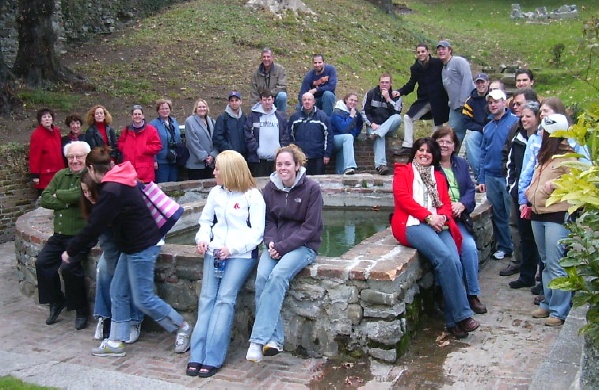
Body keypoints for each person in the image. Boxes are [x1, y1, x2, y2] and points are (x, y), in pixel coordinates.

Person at [63, 147, 192, 357]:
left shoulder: (112, 190)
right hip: (131, 247)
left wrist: (71, 250)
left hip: (142, 246)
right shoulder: (120, 179)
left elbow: (94, 225)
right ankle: (116, 340)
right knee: (117, 291)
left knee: (143, 298)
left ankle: (183, 328)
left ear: (92, 168)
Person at [187, 150, 265, 378]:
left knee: (224, 299)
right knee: (207, 299)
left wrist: (232, 249)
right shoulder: (215, 193)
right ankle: (196, 354)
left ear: (230, 170)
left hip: (240, 256)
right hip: (214, 253)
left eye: (218, 168)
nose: (214, 172)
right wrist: (202, 239)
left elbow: (257, 234)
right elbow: (205, 221)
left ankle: (213, 356)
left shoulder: (253, 196)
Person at [390, 138, 479, 339]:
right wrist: (428, 216)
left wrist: (442, 217)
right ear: (414, 152)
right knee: (444, 257)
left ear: (433, 156)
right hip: (413, 224)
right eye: (420, 150)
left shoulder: (438, 176)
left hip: (438, 223)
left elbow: (446, 203)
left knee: (455, 260)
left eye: (428, 151)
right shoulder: (403, 172)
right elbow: (403, 199)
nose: (424, 154)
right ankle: (462, 316)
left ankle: (451, 320)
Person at [246, 144, 323, 362]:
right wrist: (271, 242)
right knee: (262, 278)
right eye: (279, 164)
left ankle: (257, 340)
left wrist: (283, 246)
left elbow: (311, 228)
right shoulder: (269, 189)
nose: (283, 168)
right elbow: (269, 220)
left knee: (278, 276)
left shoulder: (311, 189)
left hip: (304, 247)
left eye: (287, 163)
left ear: (297, 165)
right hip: (276, 245)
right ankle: (274, 339)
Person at [522, 114, 576, 326]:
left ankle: (559, 310)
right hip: (538, 213)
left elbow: (575, 187)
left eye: (544, 131)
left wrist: (557, 186)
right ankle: (548, 302)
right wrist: (529, 192)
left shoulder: (569, 158)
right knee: (545, 262)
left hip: (555, 215)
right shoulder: (546, 156)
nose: (540, 133)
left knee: (556, 262)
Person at [80, 172, 144, 343]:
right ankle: (104, 316)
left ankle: (134, 320)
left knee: (125, 276)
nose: (87, 196)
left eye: (89, 192)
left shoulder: (111, 200)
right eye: (84, 192)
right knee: (103, 270)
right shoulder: (93, 207)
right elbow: (106, 243)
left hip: (133, 244)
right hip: (114, 247)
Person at [35, 141, 91, 330]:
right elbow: (45, 198)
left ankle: (80, 309)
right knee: (42, 262)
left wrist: (60, 196)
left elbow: (79, 196)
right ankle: (56, 301)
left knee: (69, 269)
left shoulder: (89, 176)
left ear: (86, 157)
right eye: (70, 157)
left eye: (79, 157)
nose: (75, 161)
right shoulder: (61, 174)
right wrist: (64, 200)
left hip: (79, 235)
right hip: (59, 234)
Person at [432, 127, 487, 314]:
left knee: (469, 248)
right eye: (441, 141)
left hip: (459, 219)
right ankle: (443, 292)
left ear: (455, 145)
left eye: (448, 141)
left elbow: (470, 191)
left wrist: (462, 204)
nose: (444, 145)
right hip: (440, 220)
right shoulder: (430, 166)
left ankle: (472, 294)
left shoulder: (461, 164)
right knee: (447, 253)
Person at [499, 88, 540, 278]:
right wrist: (513, 187)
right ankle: (525, 271)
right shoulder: (516, 134)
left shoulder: (545, 139)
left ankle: (540, 276)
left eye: (527, 115)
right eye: (514, 106)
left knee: (537, 235)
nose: (523, 118)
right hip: (519, 194)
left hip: (539, 196)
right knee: (519, 229)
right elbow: (509, 160)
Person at [477, 89, 519, 261]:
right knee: (499, 214)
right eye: (490, 102)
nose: (493, 105)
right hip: (490, 175)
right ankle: (505, 247)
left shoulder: (515, 123)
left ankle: (519, 250)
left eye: (496, 101)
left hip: (507, 175)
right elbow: (483, 153)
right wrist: (481, 177)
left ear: (504, 102)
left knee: (512, 214)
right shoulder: (487, 127)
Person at [396, 43, 449, 145]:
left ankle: (434, 147)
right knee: (408, 117)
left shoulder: (438, 63)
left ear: (428, 52)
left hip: (439, 100)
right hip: (424, 100)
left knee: (437, 126)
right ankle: (408, 144)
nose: (421, 54)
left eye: (423, 51)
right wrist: (399, 92)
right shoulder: (415, 68)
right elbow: (411, 85)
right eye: (418, 52)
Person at [362, 73, 403, 175]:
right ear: (379, 83)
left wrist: (388, 99)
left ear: (391, 83)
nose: (384, 84)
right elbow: (364, 112)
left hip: (389, 127)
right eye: (382, 82)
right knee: (380, 136)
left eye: (387, 82)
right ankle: (381, 166)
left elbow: (397, 112)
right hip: (374, 126)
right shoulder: (371, 94)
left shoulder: (396, 96)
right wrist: (372, 124)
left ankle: (378, 132)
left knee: (397, 118)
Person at [436, 40, 474, 144]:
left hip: (466, 105)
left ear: (450, 50)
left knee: (464, 134)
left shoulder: (458, 61)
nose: (441, 51)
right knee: (454, 134)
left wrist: (464, 101)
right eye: (439, 49)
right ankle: (453, 157)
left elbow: (467, 78)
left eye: (443, 49)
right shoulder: (443, 68)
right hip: (454, 107)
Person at [245, 89, 289, 177]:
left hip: (276, 161)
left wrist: (281, 149)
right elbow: (248, 134)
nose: (267, 102)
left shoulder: (280, 116)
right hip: (259, 160)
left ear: (273, 100)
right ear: (261, 101)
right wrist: (256, 149)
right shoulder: (253, 116)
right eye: (264, 100)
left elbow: (286, 134)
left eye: (269, 99)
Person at [288, 92, 333, 175]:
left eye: (309, 99)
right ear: (302, 101)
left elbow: (329, 136)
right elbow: (290, 136)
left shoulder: (322, 117)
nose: (307, 102)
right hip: (301, 156)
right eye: (304, 100)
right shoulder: (295, 117)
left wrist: (327, 154)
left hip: (318, 156)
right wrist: (294, 152)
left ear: (314, 102)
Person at [118, 105, 161, 183]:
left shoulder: (151, 130)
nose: (137, 116)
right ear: (132, 116)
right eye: (135, 114)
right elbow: (120, 143)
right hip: (129, 169)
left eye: (139, 114)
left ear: (143, 116)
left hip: (145, 171)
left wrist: (144, 149)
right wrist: (126, 149)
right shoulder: (127, 130)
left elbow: (157, 146)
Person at [29, 107, 65, 194]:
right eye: (44, 117)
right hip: (45, 175)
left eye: (49, 116)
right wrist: (35, 175)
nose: (47, 119)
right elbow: (34, 156)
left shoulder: (56, 131)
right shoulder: (37, 135)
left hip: (59, 171)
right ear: (40, 120)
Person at [462, 73, 490, 179]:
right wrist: (481, 129)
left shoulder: (493, 97)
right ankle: (480, 175)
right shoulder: (470, 101)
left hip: (495, 128)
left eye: (482, 82)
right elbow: (467, 121)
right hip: (479, 130)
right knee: (470, 139)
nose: (480, 85)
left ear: (488, 83)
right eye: (478, 82)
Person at [150, 98, 182, 183]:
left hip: (174, 159)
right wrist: (154, 160)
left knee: (174, 186)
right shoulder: (153, 124)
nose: (165, 110)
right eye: (162, 109)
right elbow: (150, 143)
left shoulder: (174, 122)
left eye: (167, 108)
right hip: (162, 161)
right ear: (158, 111)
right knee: (163, 186)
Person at [185, 98, 218, 180]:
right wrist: (204, 157)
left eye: (204, 107)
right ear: (195, 108)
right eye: (199, 107)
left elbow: (216, 139)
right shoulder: (190, 121)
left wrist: (212, 155)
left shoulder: (212, 121)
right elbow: (192, 142)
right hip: (196, 164)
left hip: (210, 163)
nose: (202, 109)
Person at [330, 92, 363, 174]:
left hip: (346, 142)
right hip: (334, 139)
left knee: (341, 172)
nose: (353, 102)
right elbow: (343, 129)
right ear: (346, 100)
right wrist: (351, 117)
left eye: (355, 101)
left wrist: (354, 135)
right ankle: (350, 166)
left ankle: (342, 177)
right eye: (351, 100)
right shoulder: (337, 112)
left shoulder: (355, 112)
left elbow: (360, 124)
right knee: (348, 137)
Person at [250, 48, 288, 112]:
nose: (266, 59)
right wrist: (255, 106)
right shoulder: (256, 74)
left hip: (275, 99)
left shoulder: (280, 69)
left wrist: (269, 96)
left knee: (282, 96)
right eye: (264, 57)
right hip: (262, 101)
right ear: (261, 58)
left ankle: (281, 117)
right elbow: (254, 92)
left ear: (272, 58)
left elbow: (282, 87)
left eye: (268, 57)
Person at [213, 91, 248, 158]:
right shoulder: (222, 118)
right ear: (229, 102)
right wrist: (229, 149)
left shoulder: (244, 117)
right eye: (232, 101)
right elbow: (217, 138)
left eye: (236, 100)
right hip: (229, 157)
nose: (234, 103)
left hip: (243, 155)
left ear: (241, 101)